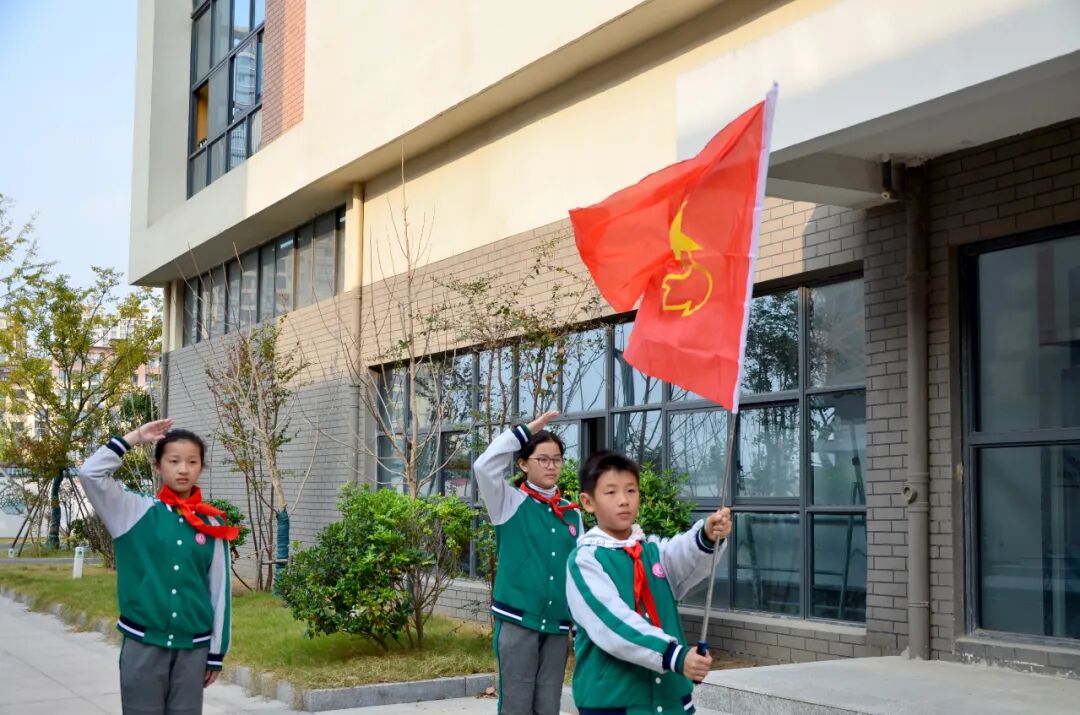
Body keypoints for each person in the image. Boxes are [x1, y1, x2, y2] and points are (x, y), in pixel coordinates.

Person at [78, 418, 238, 715]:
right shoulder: (132, 511)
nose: (183, 469)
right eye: (174, 461)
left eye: (192, 462)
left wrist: (216, 653)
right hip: (143, 644)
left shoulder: (211, 524)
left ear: (201, 467)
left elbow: (219, 591)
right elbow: (90, 473)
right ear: (157, 466)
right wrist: (135, 437)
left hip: (193, 649)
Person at [566, 449, 732, 715]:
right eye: (611, 492)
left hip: (670, 701)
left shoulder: (652, 551)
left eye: (631, 490)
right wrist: (673, 655)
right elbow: (614, 623)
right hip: (616, 704)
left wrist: (707, 534)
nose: (624, 501)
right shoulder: (585, 561)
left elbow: (684, 555)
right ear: (588, 502)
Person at [474, 410, 582, 715]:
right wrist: (527, 431)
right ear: (523, 463)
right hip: (518, 619)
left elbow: (580, 571)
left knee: (548, 706)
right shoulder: (507, 501)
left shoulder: (571, 512)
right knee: (517, 705)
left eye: (557, 459)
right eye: (543, 459)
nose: (551, 466)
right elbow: (483, 466)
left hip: (558, 625)